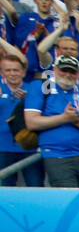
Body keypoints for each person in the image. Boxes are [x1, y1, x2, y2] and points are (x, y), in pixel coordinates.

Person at [23, 53, 79, 187]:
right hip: (56, 155)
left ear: (78, 74)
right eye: (63, 70)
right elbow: (31, 123)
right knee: (68, 199)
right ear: (54, 69)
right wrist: (64, 118)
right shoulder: (41, 86)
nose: (68, 74)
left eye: (72, 71)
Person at [0, 51, 43, 187]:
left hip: (30, 147)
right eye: (8, 70)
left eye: (16, 70)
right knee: (4, 189)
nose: (12, 73)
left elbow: (46, 114)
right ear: (2, 73)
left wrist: (30, 101)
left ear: (23, 72)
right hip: (3, 147)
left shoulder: (34, 90)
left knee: (35, 187)